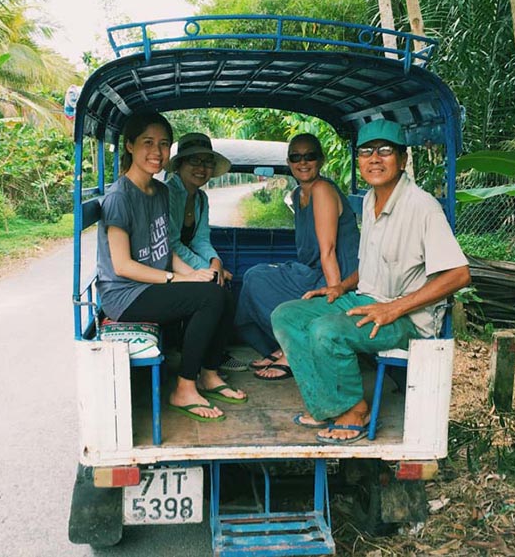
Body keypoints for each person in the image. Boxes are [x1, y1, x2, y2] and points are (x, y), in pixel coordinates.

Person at [270, 119, 470, 444]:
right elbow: (370, 264)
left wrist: (394, 308)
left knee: (326, 331)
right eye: (366, 152)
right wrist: (341, 286)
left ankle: (354, 411)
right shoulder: (368, 200)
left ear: (403, 160)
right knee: (287, 315)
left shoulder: (422, 207)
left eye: (385, 151)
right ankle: (327, 404)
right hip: (367, 298)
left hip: (407, 319)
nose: (375, 158)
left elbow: (459, 274)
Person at [95, 112, 247, 423]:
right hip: (125, 295)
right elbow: (122, 266)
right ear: (129, 146)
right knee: (209, 297)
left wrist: (194, 275)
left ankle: (209, 373)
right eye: (148, 143)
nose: (157, 152)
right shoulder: (119, 198)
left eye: (164, 144)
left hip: (151, 285)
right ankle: (184, 388)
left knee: (218, 290)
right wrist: (177, 278)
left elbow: (167, 246)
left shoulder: (160, 192)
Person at [235, 133, 360, 381]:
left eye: (310, 156)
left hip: (339, 272)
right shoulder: (297, 194)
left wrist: (334, 293)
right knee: (255, 277)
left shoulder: (322, 189)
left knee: (264, 282)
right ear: (289, 162)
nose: (303, 162)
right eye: (296, 157)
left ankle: (293, 349)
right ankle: (284, 343)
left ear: (321, 160)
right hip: (313, 270)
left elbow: (328, 250)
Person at [165, 132, 245, 373]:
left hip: (182, 261)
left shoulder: (200, 198)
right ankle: (206, 356)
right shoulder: (169, 194)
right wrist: (205, 270)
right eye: (194, 161)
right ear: (180, 164)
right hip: (164, 265)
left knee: (221, 283)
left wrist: (215, 262)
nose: (202, 168)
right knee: (213, 290)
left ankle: (212, 354)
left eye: (207, 162)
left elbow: (201, 239)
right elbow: (171, 243)